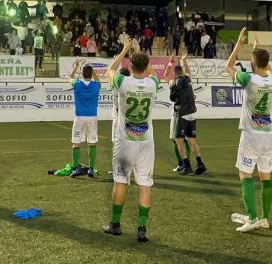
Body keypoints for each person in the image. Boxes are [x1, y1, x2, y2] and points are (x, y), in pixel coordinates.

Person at [103, 35, 158, 242]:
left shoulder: (122, 82)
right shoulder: (153, 83)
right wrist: (136, 50)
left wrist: (125, 50)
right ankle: (142, 229)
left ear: (130, 65)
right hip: (146, 141)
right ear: (145, 66)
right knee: (145, 184)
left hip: (125, 141)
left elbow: (110, 70)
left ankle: (115, 224)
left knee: (120, 181)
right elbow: (151, 72)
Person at [225, 28, 272, 232]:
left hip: (251, 135)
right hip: (268, 134)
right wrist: (257, 50)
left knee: (245, 174)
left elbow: (228, 66)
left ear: (253, 64)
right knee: (266, 175)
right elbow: (267, 68)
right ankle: (264, 218)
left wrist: (239, 43)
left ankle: (253, 218)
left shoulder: (249, 79)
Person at [165, 53, 206, 175]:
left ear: (175, 73)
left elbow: (165, 75)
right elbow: (188, 71)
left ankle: (186, 165)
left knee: (179, 141)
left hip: (182, 114)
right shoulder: (188, 79)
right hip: (192, 114)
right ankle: (200, 164)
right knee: (193, 141)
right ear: (182, 72)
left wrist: (170, 62)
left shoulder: (173, 82)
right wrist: (184, 60)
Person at [68, 60, 101, 178]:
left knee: (76, 143)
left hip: (79, 117)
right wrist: (93, 70)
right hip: (92, 116)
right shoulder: (96, 85)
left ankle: (74, 167)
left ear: (82, 74)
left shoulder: (77, 84)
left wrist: (76, 66)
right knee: (92, 143)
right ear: (91, 74)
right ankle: (91, 168)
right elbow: (97, 79)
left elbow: (70, 78)